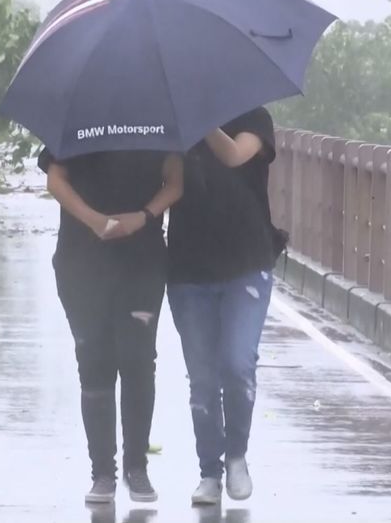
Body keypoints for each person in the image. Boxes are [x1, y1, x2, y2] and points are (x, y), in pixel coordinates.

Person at [39, 147, 184, 504]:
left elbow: (176, 182)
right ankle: (102, 472)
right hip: (81, 262)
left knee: (138, 360)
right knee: (94, 362)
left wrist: (143, 216)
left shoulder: (154, 119)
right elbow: (56, 179)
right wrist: (94, 220)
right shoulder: (78, 116)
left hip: (142, 264)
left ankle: (138, 468)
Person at [167, 106, 286, 505]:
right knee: (202, 379)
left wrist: (200, 124)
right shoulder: (172, 121)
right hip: (188, 267)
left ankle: (237, 455)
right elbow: (162, 179)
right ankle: (208, 473)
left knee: (237, 364)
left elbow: (234, 155)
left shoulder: (254, 118)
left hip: (246, 265)